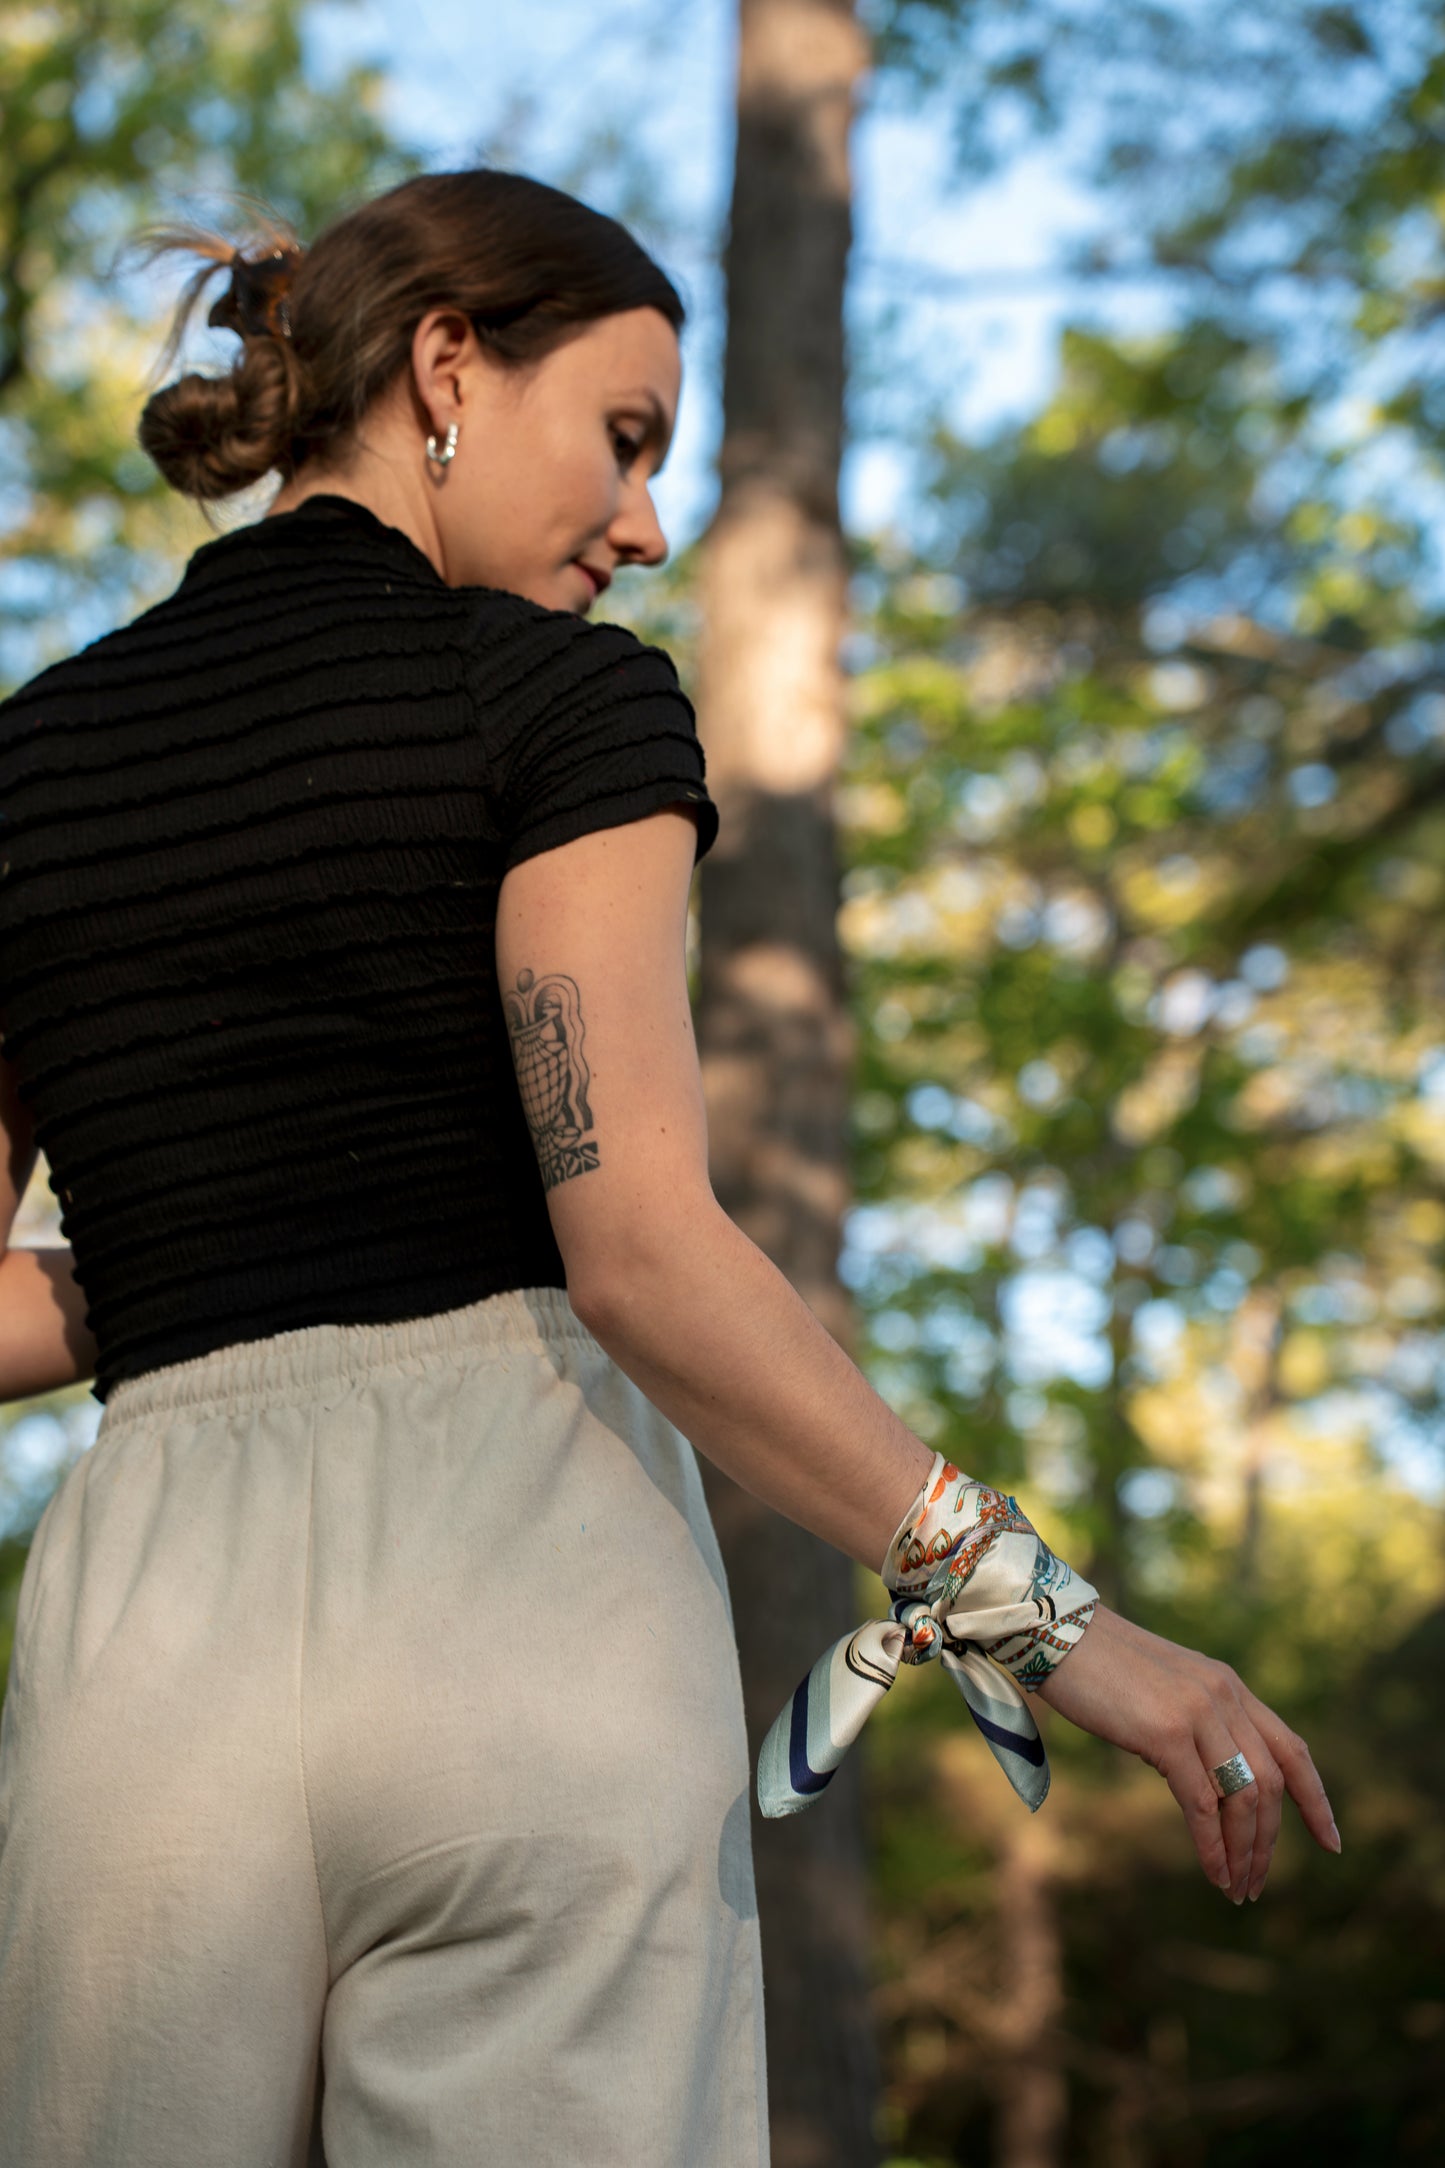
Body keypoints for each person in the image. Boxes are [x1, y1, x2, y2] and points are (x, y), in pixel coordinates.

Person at [0, 167, 1338, 2167]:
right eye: (622, 440)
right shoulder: (558, 700)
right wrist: (1063, 1629)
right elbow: (636, 1246)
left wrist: (222, 1233)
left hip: (149, 1652)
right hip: (523, 1588)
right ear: (448, 363)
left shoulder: (37, 755)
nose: (642, 524)